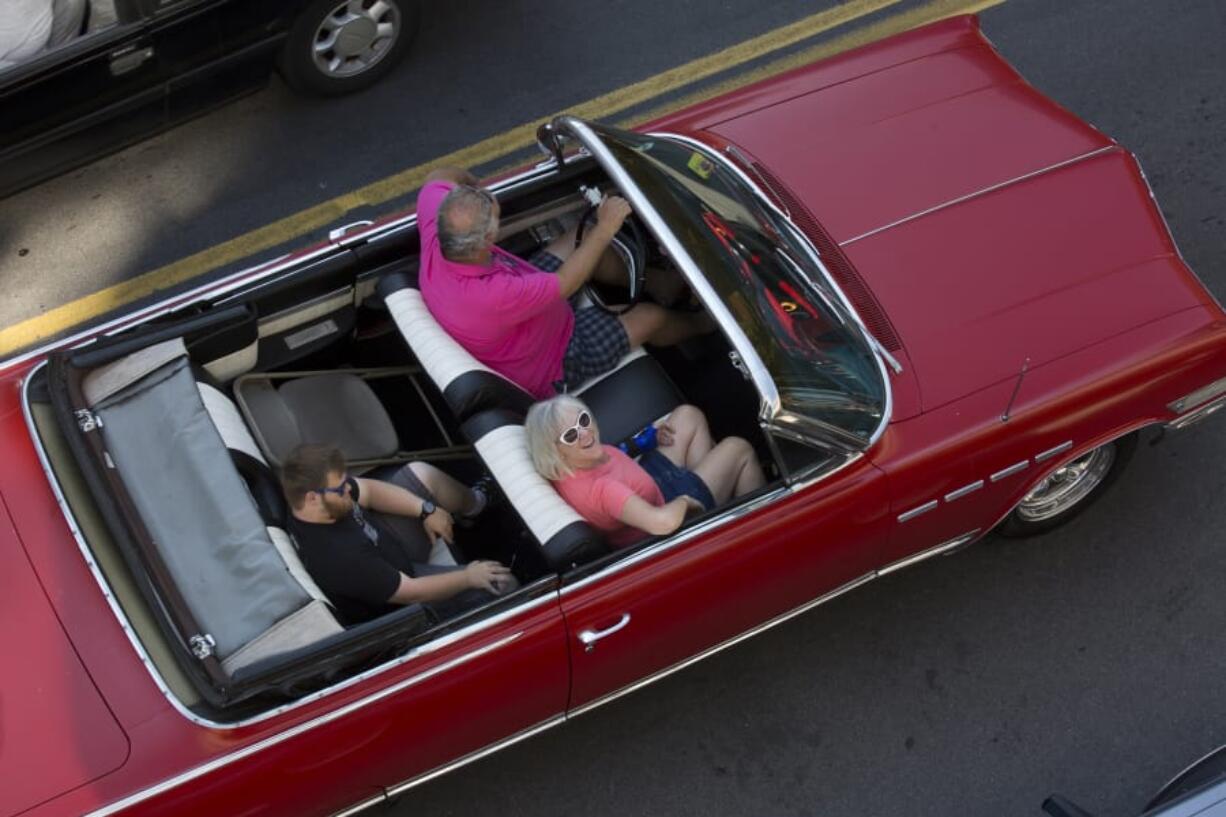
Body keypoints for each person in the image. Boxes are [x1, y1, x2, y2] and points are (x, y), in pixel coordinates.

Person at [416, 166, 711, 399]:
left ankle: (661, 284)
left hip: (524, 311)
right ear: (487, 240)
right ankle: (704, 324)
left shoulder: (437, 227)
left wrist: (475, 189)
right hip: (555, 358)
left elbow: (438, 176)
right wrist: (608, 225)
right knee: (651, 318)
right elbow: (566, 283)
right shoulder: (491, 296)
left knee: (580, 242)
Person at [281, 444, 516, 625]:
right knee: (501, 582)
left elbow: (370, 491)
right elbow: (412, 592)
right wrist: (469, 577)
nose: (348, 489)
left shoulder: (327, 501)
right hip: (405, 590)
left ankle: (477, 504)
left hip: (387, 545)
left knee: (422, 474)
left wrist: (425, 510)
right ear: (311, 498)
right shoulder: (339, 559)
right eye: (340, 488)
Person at [525, 396, 765, 548]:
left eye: (584, 420)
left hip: (649, 483)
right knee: (738, 448)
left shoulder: (570, 463)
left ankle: (718, 514)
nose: (585, 433)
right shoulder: (604, 490)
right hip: (667, 509)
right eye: (570, 435)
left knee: (688, 415)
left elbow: (615, 456)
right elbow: (663, 523)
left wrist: (646, 441)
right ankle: (758, 534)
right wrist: (685, 501)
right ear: (554, 449)